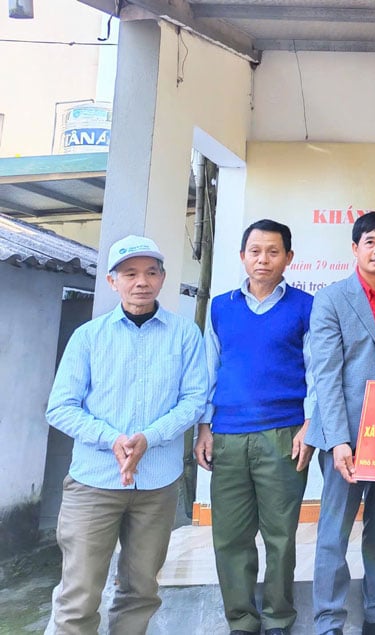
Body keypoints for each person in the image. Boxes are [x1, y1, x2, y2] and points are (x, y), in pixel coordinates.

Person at [45, 235, 207, 634]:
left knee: (140, 593)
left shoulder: (184, 334)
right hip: (94, 483)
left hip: (156, 486)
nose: (142, 282)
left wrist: (149, 437)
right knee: (78, 595)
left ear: (163, 278)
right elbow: (60, 407)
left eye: (151, 273)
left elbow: (194, 400)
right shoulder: (88, 337)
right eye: (130, 273)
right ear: (112, 281)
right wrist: (111, 439)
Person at [194, 219, 315, 635]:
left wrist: (310, 426)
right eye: (255, 251)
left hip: (283, 434)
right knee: (230, 538)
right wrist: (204, 426)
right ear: (242, 255)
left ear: (289, 258)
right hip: (227, 435)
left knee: (281, 537)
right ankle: (241, 622)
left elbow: (316, 370)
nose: (263, 259)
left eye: (273, 251)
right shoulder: (220, 307)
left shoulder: (305, 306)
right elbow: (209, 369)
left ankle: (280, 619)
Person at [305, 212, 375, 635]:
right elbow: (327, 377)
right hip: (346, 437)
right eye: (370, 242)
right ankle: (329, 620)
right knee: (334, 531)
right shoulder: (331, 299)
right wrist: (338, 441)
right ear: (355, 248)